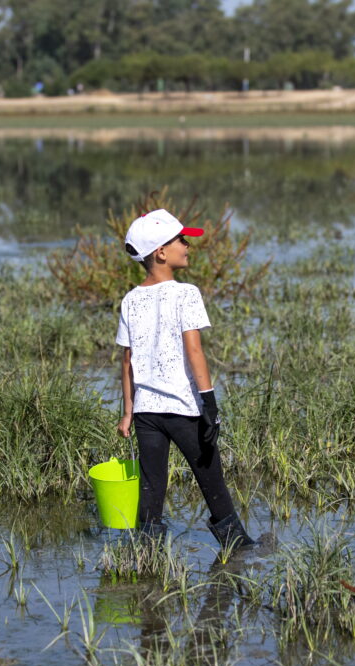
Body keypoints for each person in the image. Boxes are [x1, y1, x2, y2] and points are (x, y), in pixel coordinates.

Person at [114, 208, 256, 551]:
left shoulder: (130, 299)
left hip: (147, 413)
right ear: (161, 252)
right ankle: (238, 547)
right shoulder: (187, 293)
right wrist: (209, 403)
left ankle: (145, 556)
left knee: (151, 488)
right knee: (211, 479)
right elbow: (195, 352)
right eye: (181, 240)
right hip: (184, 409)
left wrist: (128, 412)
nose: (188, 245)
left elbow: (127, 360)